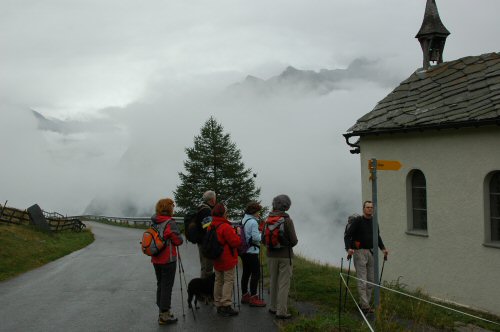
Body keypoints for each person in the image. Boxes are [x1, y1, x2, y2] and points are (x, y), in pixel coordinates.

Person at [345, 200, 389, 314]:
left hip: (372, 252)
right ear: (363, 209)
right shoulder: (358, 221)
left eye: (371, 207)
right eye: (367, 207)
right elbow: (348, 235)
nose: (369, 209)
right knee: (362, 280)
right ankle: (365, 306)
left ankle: (365, 303)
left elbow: (377, 236)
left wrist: (383, 248)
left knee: (371, 280)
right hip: (359, 252)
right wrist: (348, 249)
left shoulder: (374, 221)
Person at [262, 194, 298, 319]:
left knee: (273, 280)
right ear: (286, 206)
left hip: (271, 255)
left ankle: (272, 307)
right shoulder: (287, 220)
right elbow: (294, 241)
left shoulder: (268, 220)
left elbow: (263, 240)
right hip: (285, 255)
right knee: (284, 283)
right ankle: (281, 311)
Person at [150, 198, 183, 325]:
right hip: (168, 259)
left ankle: (162, 311)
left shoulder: (154, 221)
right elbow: (178, 241)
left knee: (160, 284)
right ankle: (164, 315)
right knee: (166, 286)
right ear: (169, 209)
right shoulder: (170, 223)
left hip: (156, 258)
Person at [210, 203, 241, 317]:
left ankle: (218, 303)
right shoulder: (225, 226)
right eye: (226, 212)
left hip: (216, 257)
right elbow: (235, 242)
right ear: (223, 213)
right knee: (228, 280)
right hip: (227, 257)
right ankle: (226, 305)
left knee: (218, 280)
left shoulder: (211, 225)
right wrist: (238, 234)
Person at [240, 201, 266, 307]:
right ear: (254, 211)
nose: (259, 213)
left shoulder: (244, 219)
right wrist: (262, 236)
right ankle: (254, 297)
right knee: (256, 273)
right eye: (258, 211)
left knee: (246, 272)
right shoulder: (253, 222)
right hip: (252, 251)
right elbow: (255, 238)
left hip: (244, 251)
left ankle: (245, 295)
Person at [196, 190, 217, 278]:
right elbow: (207, 227)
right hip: (206, 242)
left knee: (204, 266)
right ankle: (205, 289)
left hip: (201, 241)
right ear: (212, 200)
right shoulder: (206, 211)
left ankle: (203, 287)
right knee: (207, 268)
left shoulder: (201, 208)